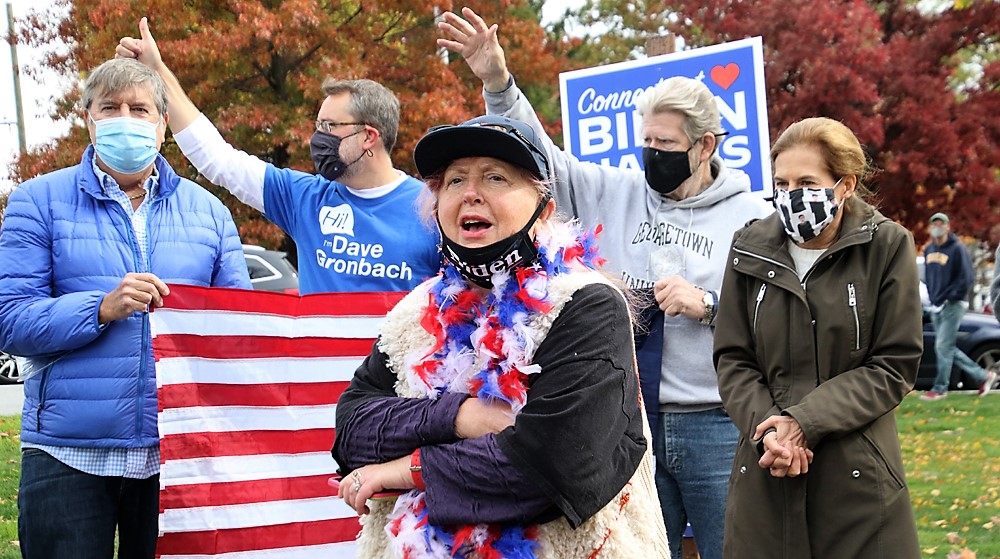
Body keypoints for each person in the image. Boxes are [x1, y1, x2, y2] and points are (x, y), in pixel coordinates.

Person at [437, 9, 772, 559]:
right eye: (646, 141)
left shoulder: (751, 215)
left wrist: (711, 305)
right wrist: (498, 83)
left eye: (665, 144)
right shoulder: (617, 190)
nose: (651, 155)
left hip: (713, 420)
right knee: (633, 548)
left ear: (706, 146)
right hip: (625, 418)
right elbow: (543, 159)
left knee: (729, 549)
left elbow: (775, 311)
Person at [330, 114, 669, 558]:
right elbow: (352, 428)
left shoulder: (586, 302)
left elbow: (552, 466)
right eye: (454, 181)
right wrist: (460, 417)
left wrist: (402, 469)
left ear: (543, 208)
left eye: (495, 177)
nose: (470, 194)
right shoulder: (414, 310)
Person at [0, 58, 251, 559]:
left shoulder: (210, 212)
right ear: (89, 120)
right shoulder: (37, 200)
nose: (125, 118)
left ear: (162, 126)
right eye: (110, 108)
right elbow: (11, 321)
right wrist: (100, 308)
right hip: (66, 452)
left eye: (140, 109)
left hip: (177, 454)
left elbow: (235, 332)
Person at [712, 117, 921, 558]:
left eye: (807, 181)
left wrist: (804, 423)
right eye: (781, 183)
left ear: (845, 185)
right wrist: (772, 431)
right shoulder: (748, 247)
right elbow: (733, 358)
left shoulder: (887, 247)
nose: (791, 195)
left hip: (857, 476)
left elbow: (893, 365)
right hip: (766, 463)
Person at [116, 18, 440, 294]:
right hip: (322, 369)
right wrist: (156, 70)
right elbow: (216, 158)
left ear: (369, 136)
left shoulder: (434, 207)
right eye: (318, 125)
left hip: (398, 368)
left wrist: (494, 88)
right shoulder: (305, 198)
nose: (318, 137)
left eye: (330, 126)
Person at [922, 212, 997, 399]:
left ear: (948, 226)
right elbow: (929, 277)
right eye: (934, 224)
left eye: (941, 223)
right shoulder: (929, 250)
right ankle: (983, 375)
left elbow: (967, 277)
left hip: (953, 305)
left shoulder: (957, 248)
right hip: (936, 305)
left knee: (942, 346)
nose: (937, 227)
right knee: (945, 347)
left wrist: (950, 297)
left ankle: (939, 389)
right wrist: (933, 296)